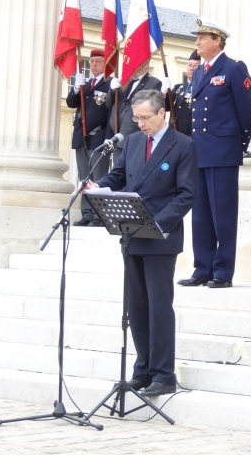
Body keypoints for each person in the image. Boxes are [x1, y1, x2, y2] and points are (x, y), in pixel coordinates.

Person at [85, 90, 197, 396]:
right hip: (132, 233)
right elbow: (119, 175)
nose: (140, 123)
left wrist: (159, 223)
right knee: (136, 307)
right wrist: (99, 186)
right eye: (136, 118)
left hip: (160, 235)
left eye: (145, 117)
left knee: (159, 306)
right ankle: (143, 369)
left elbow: (187, 194)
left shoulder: (183, 145)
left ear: (162, 114)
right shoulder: (133, 142)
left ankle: (164, 373)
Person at [177, 18, 251, 289]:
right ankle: (202, 268)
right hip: (200, 150)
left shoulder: (233, 68)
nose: (197, 42)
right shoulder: (199, 72)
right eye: (197, 38)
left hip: (223, 150)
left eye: (202, 38)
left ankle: (222, 271)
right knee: (200, 215)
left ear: (217, 41)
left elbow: (247, 112)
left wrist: (239, 145)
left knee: (223, 213)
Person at [66, 50, 111, 227]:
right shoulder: (85, 85)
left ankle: (99, 215)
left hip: (98, 137)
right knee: (84, 178)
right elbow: (71, 103)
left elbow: (112, 114)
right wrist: (76, 88)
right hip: (81, 137)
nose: (93, 64)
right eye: (91, 61)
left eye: (98, 61)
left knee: (98, 178)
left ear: (106, 64)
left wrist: (109, 139)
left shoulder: (109, 86)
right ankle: (87, 213)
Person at [106, 59, 162, 152]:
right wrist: (112, 90)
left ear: (145, 65)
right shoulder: (124, 81)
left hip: (136, 139)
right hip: (117, 137)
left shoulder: (154, 83)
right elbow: (108, 104)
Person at [170, 51, 200, 136]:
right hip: (174, 133)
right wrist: (164, 93)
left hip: (190, 134)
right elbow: (165, 106)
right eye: (190, 65)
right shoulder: (178, 88)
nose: (192, 68)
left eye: (196, 66)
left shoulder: (202, 88)